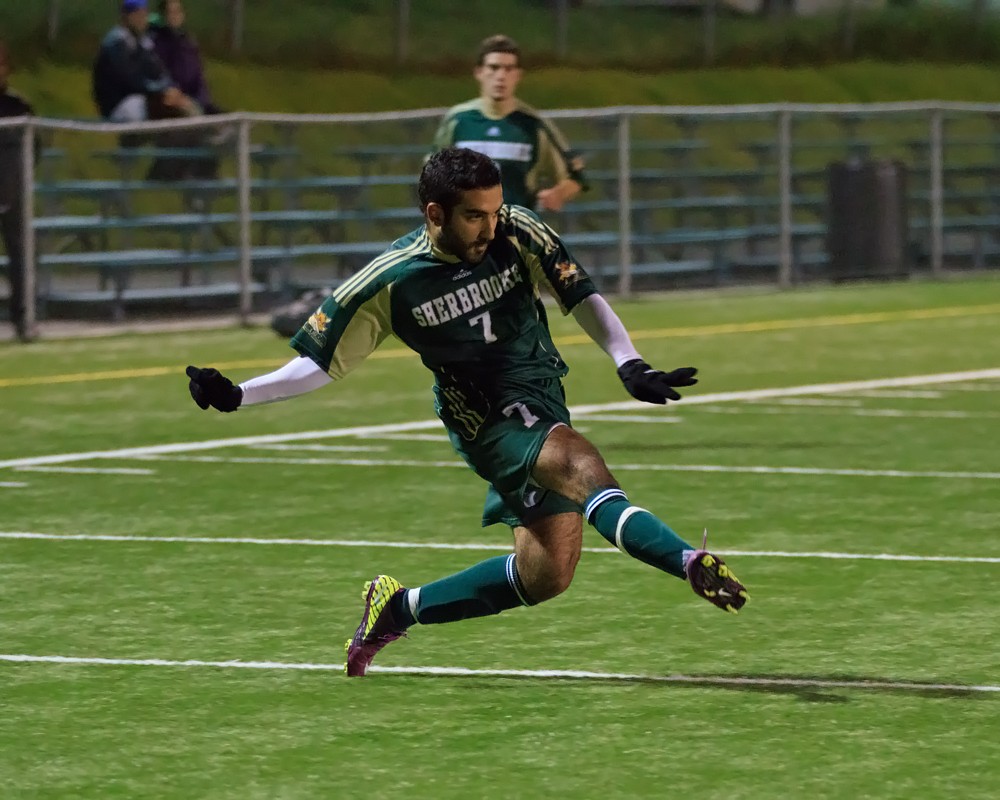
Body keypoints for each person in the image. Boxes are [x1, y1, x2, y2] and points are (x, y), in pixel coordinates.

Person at [185, 148, 748, 678]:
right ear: (436, 214)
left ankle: (398, 608)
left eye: (496, 211)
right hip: (487, 420)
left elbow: (578, 292)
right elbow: (319, 364)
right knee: (581, 466)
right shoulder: (390, 280)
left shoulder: (518, 229)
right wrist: (238, 394)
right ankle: (686, 560)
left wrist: (629, 361)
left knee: (546, 575)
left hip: (542, 393)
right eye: (476, 216)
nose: (491, 227)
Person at [431, 34, 585, 213]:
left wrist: (558, 194)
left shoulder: (533, 125)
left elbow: (576, 177)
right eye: (494, 68)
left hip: (514, 227)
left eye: (509, 69)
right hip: (466, 228)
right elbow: (433, 176)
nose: (501, 76)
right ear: (479, 72)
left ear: (518, 75)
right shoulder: (458, 121)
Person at [92, 0, 199, 125]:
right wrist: (161, 92)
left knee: (185, 105)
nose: (142, 19)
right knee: (176, 111)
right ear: (126, 17)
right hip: (119, 104)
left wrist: (170, 89)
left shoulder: (141, 40)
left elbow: (157, 69)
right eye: (137, 15)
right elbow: (132, 79)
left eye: (144, 14)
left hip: (140, 98)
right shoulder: (116, 42)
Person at [0, 40, 37, 342]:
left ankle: (23, 319)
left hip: (13, 192)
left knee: (20, 257)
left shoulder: (18, 106)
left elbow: (34, 149)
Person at [149, 0, 222, 116]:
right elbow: (160, 75)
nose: (174, 16)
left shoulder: (189, 43)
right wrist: (178, 97)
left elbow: (199, 78)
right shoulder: (157, 44)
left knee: (228, 119)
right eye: (170, 12)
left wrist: (202, 100)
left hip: (194, 99)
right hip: (172, 101)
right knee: (193, 113)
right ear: (163, 16)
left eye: (177, 12)